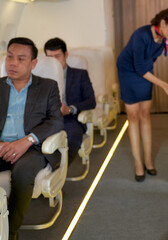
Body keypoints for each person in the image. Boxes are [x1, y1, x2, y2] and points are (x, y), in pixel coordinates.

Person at [0, 37, 64, 240]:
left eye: (20, 58)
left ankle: (9, 232)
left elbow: (56, 120)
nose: (12, 63)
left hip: (32, 148)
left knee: (24, 172)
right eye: (10, 56)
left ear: (33, 63)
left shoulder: (47, 86)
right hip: (1, 145)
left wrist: (26, 141)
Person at [116, 8, 168, 182]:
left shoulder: (167, 37)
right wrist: (163, 84)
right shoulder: (141, 35)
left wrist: (154, 78)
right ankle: (138, 163)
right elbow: (138, 68)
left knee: (145, 114)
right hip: (128, 71)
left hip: (145, 70)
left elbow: (150, 60)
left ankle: (148, 159)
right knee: (134, 116)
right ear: (162, 24)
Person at [44, 37, 96, 164]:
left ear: (66, 55)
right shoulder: (41, 78)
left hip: (70, 119)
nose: (54, 61)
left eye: (57, 56)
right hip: (46, 120)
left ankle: (59, 169)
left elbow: (91, 101)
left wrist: (69, 109)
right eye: (50, 58)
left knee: (71, 136)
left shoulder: (80, 74)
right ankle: (45, 169)